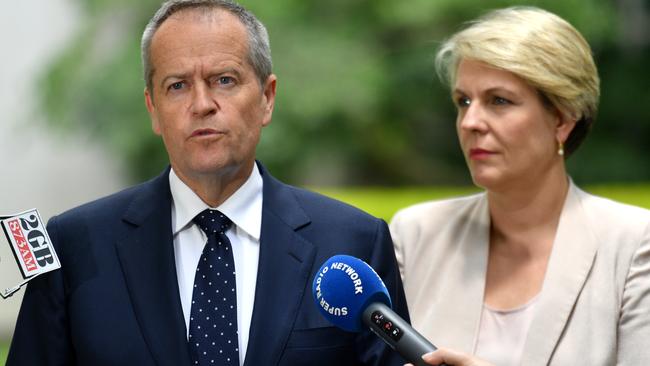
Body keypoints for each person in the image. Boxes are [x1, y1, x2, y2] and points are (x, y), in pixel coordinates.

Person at [7, 1, 409, 365]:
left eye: (224, 80)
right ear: (153, 108)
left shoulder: (353, 243)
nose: (201, 104)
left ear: (267, 98)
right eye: (177, 86)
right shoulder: (75, 246)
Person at [390, 6, 650, 366]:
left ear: (562, 119)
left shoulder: (635, 245)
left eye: (499, 101)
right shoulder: (415, 233)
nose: (470, 122)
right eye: (463, 101)